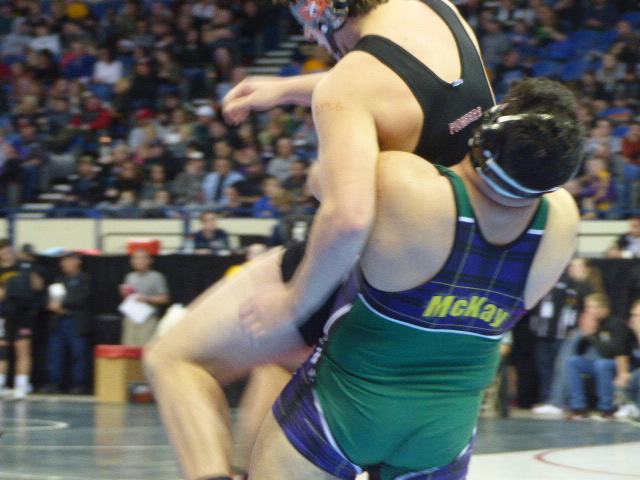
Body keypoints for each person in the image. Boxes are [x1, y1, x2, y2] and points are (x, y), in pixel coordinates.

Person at [144, 0, 495, 478]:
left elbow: (348, 217)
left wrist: (294, 302)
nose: (310, 38)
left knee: (174, 358)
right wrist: (287, 89)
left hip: (371, 273)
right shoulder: (438, 12)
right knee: (276, 363)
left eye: (307, 23)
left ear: (327, 9)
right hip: (459, 274)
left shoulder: (348, 84)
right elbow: (395, 85)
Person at [247, 78, 584, 480]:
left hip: (344, 404)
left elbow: (322, 180)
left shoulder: (405, 183)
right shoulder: (562, 220)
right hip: (444, 432)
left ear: (487, 132)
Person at [566, 292, 635, 420]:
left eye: (592, 307)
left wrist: (592, 335)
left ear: (604, 308)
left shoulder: (616, 324)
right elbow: (580, 351)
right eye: (587, 307)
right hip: (602, 363)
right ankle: (578, 406)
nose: (589, 311)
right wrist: (586, 335)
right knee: (574, 361)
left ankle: (607, 408)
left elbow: (615, 352)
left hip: (624, 364)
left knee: (602, 364)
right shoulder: (595, 324)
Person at [42, 252, 92, 394]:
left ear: (78, 262)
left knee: (78, 354)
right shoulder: (59, 279)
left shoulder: (85, 279)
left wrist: (63, 304)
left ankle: (79, 384)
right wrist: (52, 304)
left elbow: (82, 298)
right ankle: (54, 383)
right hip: (59, 321)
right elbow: (52, 297)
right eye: (63, 261)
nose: (65, 264)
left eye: (69, 260)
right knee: (55, 353)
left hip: (76, 322)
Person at [120, 249, 170, 346]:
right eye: (135, 258)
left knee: (145, 348)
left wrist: (147, 298)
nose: (139, 261)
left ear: (150, 261)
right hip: (130, 318)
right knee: (129, 348)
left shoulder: (156, 277)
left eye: (142, 258)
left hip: (148, 319)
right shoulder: (130, 277)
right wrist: (125, 294)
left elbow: (165, 298)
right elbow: (127, 299)